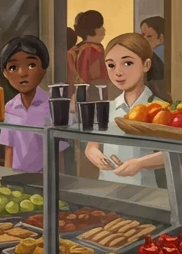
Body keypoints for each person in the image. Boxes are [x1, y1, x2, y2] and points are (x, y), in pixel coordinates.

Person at [86, 33, 164, 186]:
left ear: (146, 65)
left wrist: (140, 163)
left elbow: (174, 154)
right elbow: (91, 146)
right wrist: (94, 154)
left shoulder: (160, 107)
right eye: (111, 65)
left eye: (127, 63)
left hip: (143, 193)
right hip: (107, 189)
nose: (118, 72)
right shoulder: (107, 108)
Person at [0, 35, 56, 173]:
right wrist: (6, 178)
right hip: (16, 176)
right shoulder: (9, 107)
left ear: (44, 69)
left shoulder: (52, 105)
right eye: (13, 67)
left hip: (45, 179)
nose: (23, 73)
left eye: (31, 65)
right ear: (5, 73)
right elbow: (9, 147)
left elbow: (57, 151)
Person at [68, 10, 107, 84]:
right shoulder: (93, 51)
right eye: (101, 27)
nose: (104, 30)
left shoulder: (74, 50)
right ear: (93, 29)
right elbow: (100, 79)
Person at [140, 16, 166, 83]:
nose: (144, 40)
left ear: (161, 38)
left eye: (149, 36)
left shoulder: (156, 54)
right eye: (143, 35)